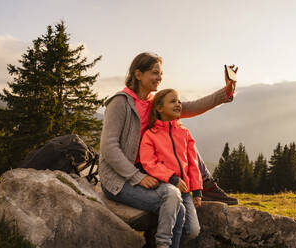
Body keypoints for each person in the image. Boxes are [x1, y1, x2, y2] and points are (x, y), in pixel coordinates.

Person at [99, 52, 238, 247]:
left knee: (181, 139)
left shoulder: (154, 103)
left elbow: (193, 106)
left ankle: (204, 184)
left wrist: (227, 91)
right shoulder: (120, 103)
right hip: (119, 179)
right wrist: (136, 177)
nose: (159, 77)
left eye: (161, 73)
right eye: (154, 73)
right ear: (138, 74)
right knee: (174, 202)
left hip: (148, 172)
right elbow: (109, 147)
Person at [140, 89, 203, 247]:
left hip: (185, 192)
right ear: (159, 108)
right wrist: (171, 178)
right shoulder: (151, 134)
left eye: (179, 101)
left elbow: (193, 164)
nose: (178, 104)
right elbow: (149, 163)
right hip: (166, 186)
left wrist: (197, 190)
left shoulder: (184, 133)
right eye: (173, 101)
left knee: (194, 230)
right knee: (175, 219)